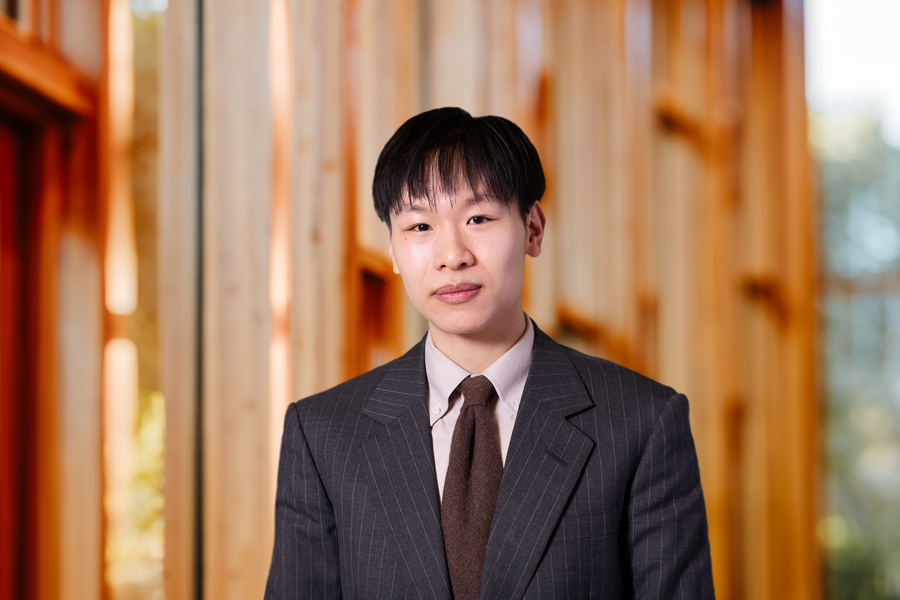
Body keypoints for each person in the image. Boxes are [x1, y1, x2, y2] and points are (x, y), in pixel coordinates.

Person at [264, 107, 715, 599]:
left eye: (478, 218)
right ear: (392, 249)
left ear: (533, 228)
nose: (452, 256)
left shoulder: (642, 422)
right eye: (419, 227)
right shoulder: (323, 435)